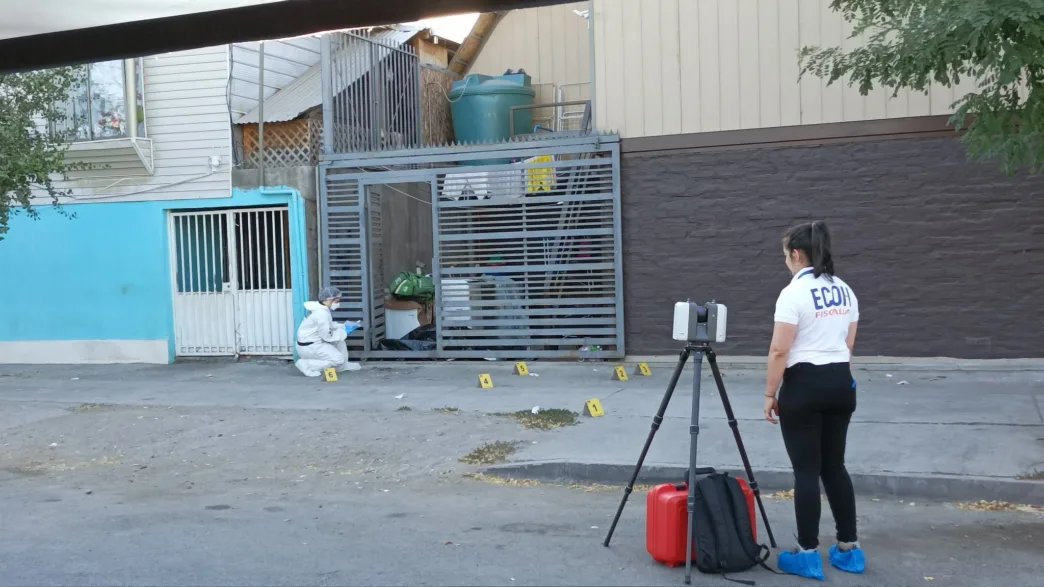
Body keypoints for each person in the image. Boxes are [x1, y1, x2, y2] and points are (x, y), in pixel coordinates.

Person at [763, 221, 865, 580]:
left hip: (804, 384)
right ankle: (849, 550)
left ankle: (807, 553)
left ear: (796, 254)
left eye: (785, 255)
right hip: (840, 381)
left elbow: (779, 350)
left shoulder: (793, 294)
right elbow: (848, 345)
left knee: (806, 470)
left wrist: (770, 393)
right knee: (834, 467)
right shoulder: (845, 290)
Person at [294, 286, 361, 377]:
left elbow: (328, 325)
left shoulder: (318, 308)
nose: (338, 304)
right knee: (338, 359)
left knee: (340, 342)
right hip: (311, 347)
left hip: (309, 344)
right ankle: (306, 364)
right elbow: (327, 337)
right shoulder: (321, 314)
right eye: (337, 301)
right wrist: (344, 332)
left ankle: (343, 366)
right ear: (329, 300)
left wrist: (343, 325)